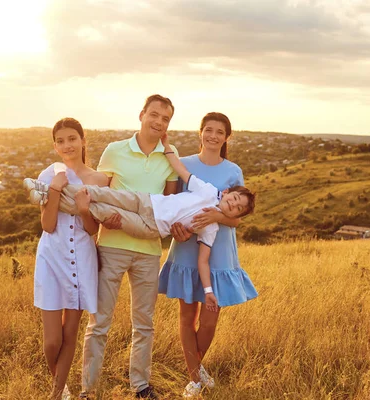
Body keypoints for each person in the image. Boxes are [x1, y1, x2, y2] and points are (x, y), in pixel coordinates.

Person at [24, 138, 256, 312]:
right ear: (226, 192)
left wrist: (208, 292)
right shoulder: (207, 190)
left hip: (150, 227)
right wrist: (167, 147)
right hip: (149, 201)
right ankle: (50, 190)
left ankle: (49, 196)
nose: (232, 205)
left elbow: (203, 261)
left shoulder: (211, 228)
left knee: (102, 210)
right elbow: (182, 171)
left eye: (237, 209)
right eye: (234, 199)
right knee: (102, 194)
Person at [78, 94, 180, 399]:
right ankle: (88, 389)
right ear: (141, 114)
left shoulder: (169, 158)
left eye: (165, 119)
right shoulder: (114, 151)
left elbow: (169, 206)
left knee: (144, 324)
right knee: (99, 323)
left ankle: (140, 386)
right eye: (154, 115)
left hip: (149, 250)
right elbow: (99, 195)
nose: (158, 122)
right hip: (111, 246)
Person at [158, 112, 258, 398]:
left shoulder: (233, 170)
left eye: (219, 132)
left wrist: (216, 214)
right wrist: (176, 230)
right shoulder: (185, 165)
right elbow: (172, 205)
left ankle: (195, 367)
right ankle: (195, 379)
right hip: (186, 250)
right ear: (200, 132)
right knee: (186, 316)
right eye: (208, 130)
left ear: (227, 137)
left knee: (210, 320)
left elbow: (237, 218)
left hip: (220, 252)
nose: (213, 136)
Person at [32, 117, 109, 400]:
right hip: (52, 259)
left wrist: (84, 209)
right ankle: (61, 386)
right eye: (61, 141)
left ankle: (56, 394)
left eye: (72, 138)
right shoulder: (47, 175)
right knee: (52, 341)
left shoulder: (98, 179)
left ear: (83, 140)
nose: (67, 145)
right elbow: (48, 225)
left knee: (70, 334)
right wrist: (54, 189)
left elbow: (92, 230)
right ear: (55, 146)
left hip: (82, 259)